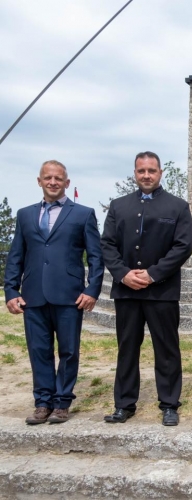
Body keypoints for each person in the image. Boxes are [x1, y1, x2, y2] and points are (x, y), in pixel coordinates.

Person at [4, 160, 104, 425]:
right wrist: (11, 290)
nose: (53, 182)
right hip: (33, 295)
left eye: (58, 178)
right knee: (39, 351)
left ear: (66, 183)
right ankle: (42, 402)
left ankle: (61, 403)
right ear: (39, 181)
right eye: (47, 178)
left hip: (70, 296)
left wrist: (92, 289)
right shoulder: (25, 215)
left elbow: (96, 257)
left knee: (69, 351)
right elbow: (16, 256)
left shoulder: (83, 214)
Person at [101, 151, 192, 426]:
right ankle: (124, 404)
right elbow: (107, 244)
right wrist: (123, 274)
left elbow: (183, 246)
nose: (146, 175)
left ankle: (169, 404)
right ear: (135, 173)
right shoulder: (118, 206)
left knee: (166, 350)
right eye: (141, 171)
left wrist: (153, 274)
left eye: (151, 170)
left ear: (160, 173)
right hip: (127, 291)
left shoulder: (178, 207)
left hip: (162, 292)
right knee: (127, 348)